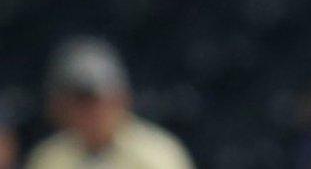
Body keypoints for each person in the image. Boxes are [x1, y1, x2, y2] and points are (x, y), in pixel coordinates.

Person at [24, 37, 195, 169]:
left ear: (121, 99)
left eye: (94, 101)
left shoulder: (157, 156)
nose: (88, 112)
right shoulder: (48, 159)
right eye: (78, 102)